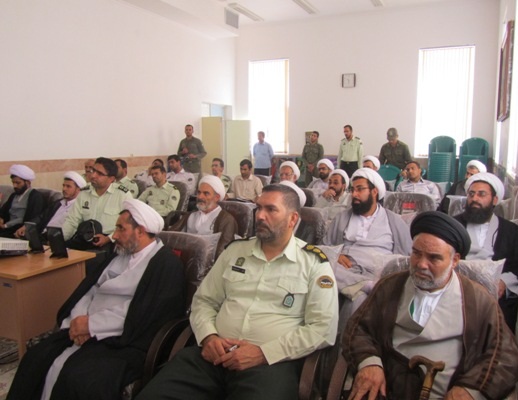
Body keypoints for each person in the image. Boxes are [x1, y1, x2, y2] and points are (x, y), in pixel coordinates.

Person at [136, 184, 338, 400]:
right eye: (258, 208)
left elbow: (322, 328)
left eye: (271, 209)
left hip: (269, 365)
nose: (260, 216)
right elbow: (204, 301)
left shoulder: (313, 263)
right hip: (212, 356)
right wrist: (208, 337)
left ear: (292, 219)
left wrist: (264, 353)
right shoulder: (235, 251)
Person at [7, 199, 186, 400]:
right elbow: (89, 290)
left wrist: (92, 326)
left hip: (124, 340)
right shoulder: (118, 255)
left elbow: (144, 314)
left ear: (140, 231)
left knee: (79, 378)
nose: (114, 235)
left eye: (120, 229)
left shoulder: (166, 264)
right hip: (86, 327)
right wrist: (78, 321)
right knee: (35, 359)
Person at [343, 211, 518, 400]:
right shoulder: (390, 286)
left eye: (434, 258)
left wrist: (471, 390)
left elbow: (505, 356)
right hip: (388, 389)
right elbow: (358, 329)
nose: (421, 264)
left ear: (455, 260)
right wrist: (369, 363)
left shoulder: (478, 300)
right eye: (416, 253)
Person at [323, 168, 412, 326]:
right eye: (352, 190)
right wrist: (336, 255)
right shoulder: (342, 218)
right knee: (321, 265)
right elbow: (326, 247)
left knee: (358, 300)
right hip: (344, 268)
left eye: (360, 189)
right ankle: (364, 285)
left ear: (374, 192)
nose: (354, 194)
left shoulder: (394, 221)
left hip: (376, 272)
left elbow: (406, 257)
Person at [454, 172, 518, 332]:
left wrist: (504, 282)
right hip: (458, 291)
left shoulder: (511, 230)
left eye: (481, 194)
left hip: (497, 295)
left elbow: (516, 265)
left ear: (494, 200)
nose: (474, 199)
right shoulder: (453, 225)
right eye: (471, 194)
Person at [62, 157, 133, 247]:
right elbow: (72, 221)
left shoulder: (122, 195)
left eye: (100, 173)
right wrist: (59, 239)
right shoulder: (84, 192)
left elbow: (128, 225)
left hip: (112, 242)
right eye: (93, 171)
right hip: (85, 238)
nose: (93, 176)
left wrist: (108, 238)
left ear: (111, 178)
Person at [170, 175, 238, 257]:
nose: (200, 197)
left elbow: (222, 252)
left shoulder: (226, 220)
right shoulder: (190, 215)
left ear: (217, 197)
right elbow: (170, 236)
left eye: (206, 193)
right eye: (199, 192)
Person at [14, 171, 86, 239]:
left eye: (68, 186)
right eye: (63, 185)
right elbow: (41, 217)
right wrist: (25, 227)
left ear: (78, 189)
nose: (64, 189)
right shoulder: (58, 203)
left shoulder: (79, 207)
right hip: (42, 235)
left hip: (58, 239)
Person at [0, 164, 45, 238]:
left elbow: (34, 219)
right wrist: (1, 218)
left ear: (28, 183)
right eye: (13, 183)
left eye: (18, 183)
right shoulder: (14, 195)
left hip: (18, 229)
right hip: (6, 228)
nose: (14, 186)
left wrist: (6, 225)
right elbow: (3, 211)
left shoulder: (35, 196)